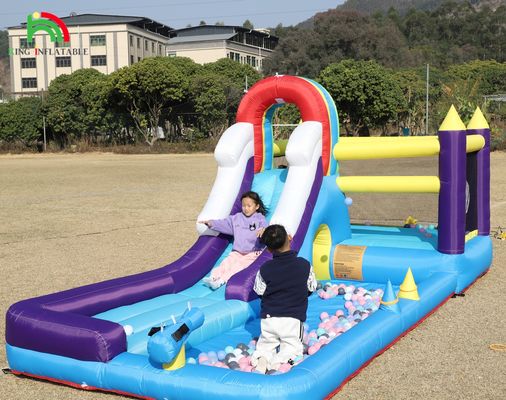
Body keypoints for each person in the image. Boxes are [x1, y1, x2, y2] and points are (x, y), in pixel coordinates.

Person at [251, 224, 317, 373]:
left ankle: (262, 359)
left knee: (265, 345)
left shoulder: (265, 268)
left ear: (269, 249)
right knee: (293, 350)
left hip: (269, 319)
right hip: (292, 320)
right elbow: (311, 287)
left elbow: (259, 291)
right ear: (289, 238)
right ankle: (279, 364)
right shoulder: (304, 265)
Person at [199, 191, 268, 290]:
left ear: (257, 206)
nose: (246, 208)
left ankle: (220, 281)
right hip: (237, 251)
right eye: (244, 206)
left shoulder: (259, 218)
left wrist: (263, 230)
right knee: (225, 263)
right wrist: (211, 223)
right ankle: (213, 277)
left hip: (253, 252)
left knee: (238, 266)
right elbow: (224, 223)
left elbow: (264, 226)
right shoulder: (236, 218)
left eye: (249, 206)